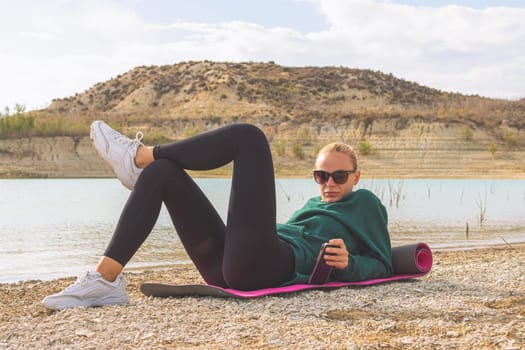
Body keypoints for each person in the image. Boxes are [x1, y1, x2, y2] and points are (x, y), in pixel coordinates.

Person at [42, 121, 392, 310]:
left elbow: (384, 263)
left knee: (250, 138)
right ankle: (105, 281)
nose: (329, 183)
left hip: (264, 267)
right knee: (163, 172)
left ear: (356, 177)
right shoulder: (310, 209)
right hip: (229, 266)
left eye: (339, 176)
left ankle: (137, 156)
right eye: (321, 176)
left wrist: (350, 264)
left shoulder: (365, 204)